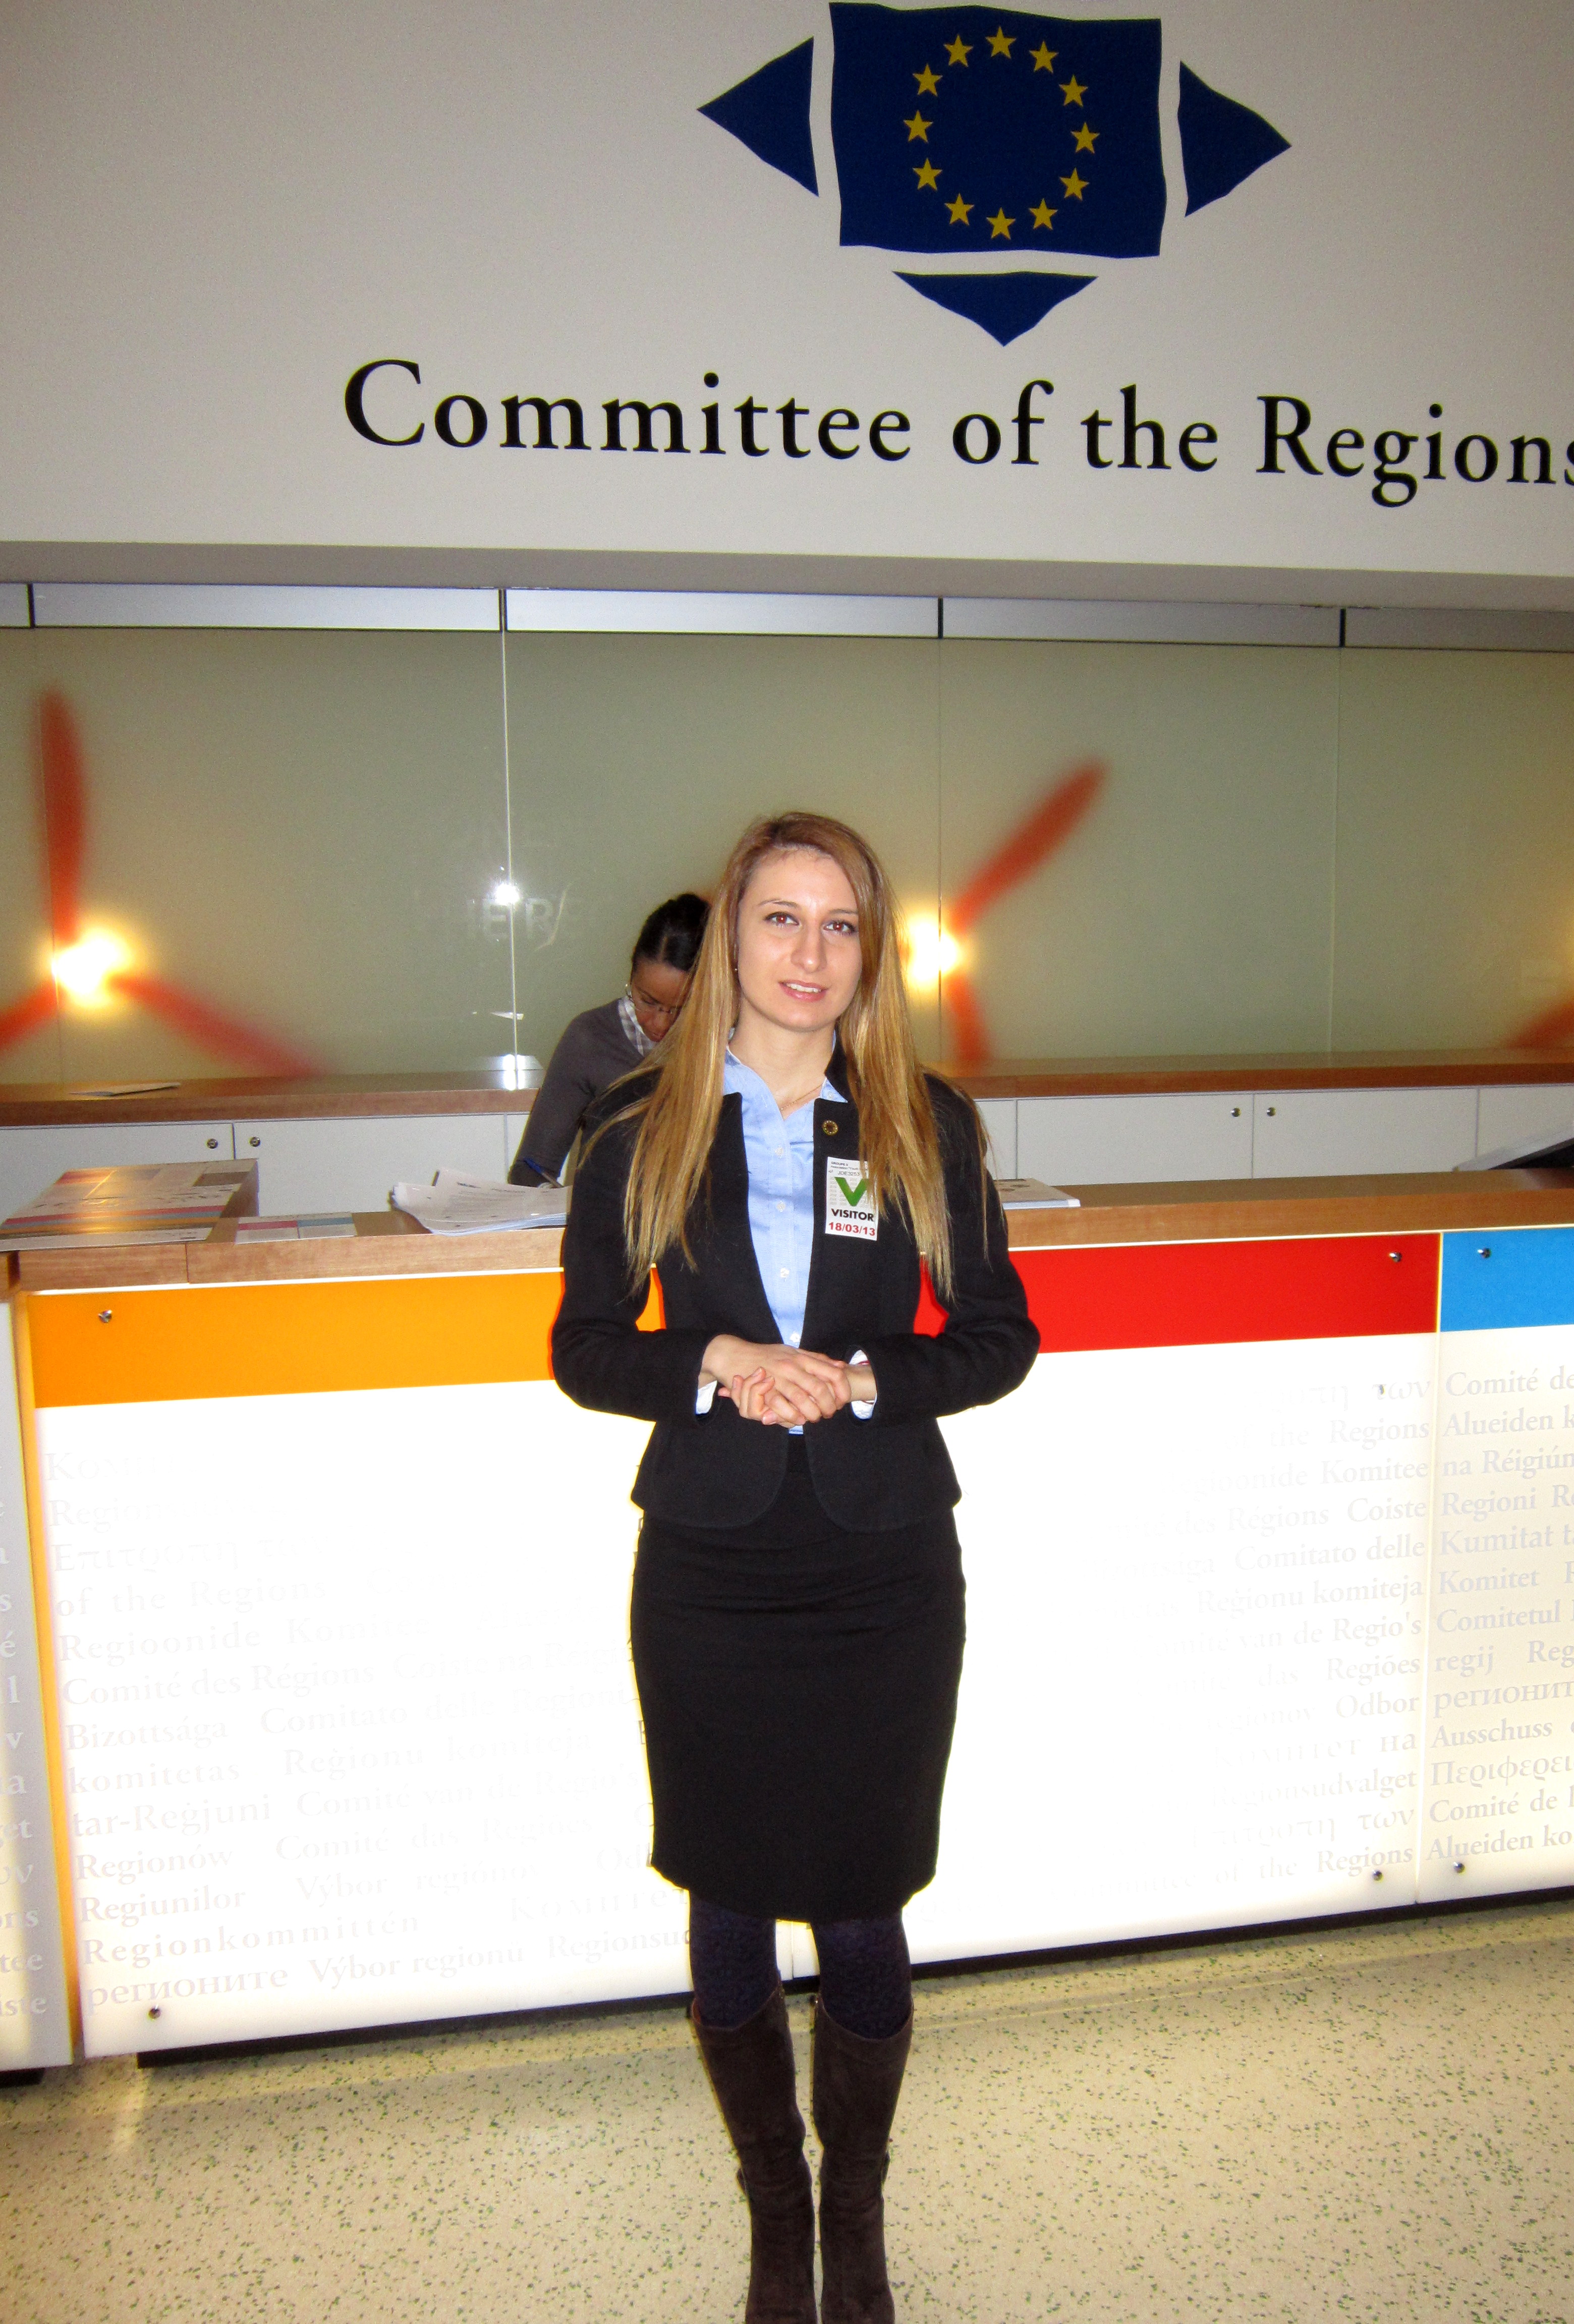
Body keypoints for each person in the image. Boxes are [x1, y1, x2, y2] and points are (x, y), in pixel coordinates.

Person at [551, 812, 1038, 2324]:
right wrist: (712, 1358)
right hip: (710, 1568)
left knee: (864, 1895)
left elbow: (999, 1336)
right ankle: (777, 2217)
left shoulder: (921, 1120)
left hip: (883, 1567)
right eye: (780, 919)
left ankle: (856, 2220)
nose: (809, 953)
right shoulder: (636, 1122)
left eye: (839, 925)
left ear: (868, 951)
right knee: (727, 1890)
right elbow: (585, 1348)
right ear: (732, 935)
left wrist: (868, 1379)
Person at [508, 892, 709, 1185]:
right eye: (647, 1001)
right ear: (632, 971)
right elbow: (531, 1168)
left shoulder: (732, 1046)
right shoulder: (591, 1039)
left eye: (680, 1008)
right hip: (605, 1212)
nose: (661, 1023)